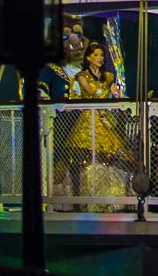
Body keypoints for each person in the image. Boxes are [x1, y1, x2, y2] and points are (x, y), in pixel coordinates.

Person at [58, 42, 129, 200]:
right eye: (96, 55)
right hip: (89, 117)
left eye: (101, 55)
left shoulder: (108, 76)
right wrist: (99, 100)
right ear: (88, 58)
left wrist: (119, 94)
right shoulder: (82, 76)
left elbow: (115, 93)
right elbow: (90, 92)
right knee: (86, 155)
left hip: (105, 117)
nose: (99, 58)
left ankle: (107, 192)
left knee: (109, 155)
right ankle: (84, 192)